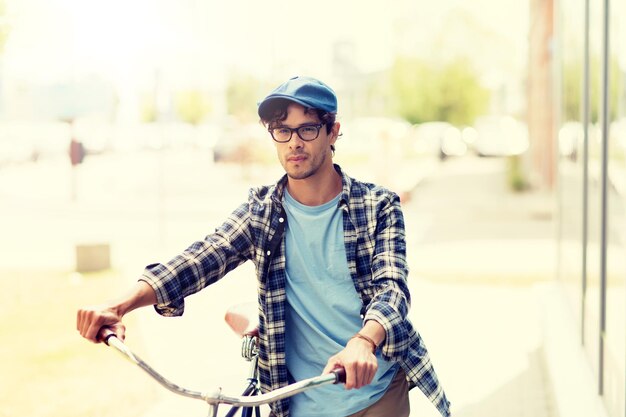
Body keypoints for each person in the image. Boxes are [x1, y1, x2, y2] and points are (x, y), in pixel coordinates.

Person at [77, 76, 451, 417]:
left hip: (376, 393)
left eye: (307, 129)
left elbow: (392, 289)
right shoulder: (262, 213)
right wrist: (119, 305)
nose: (294, 143)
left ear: (333, 131)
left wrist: (364, 342)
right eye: (282, 131)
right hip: (297, 401)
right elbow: (199, 259)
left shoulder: (377, 206)